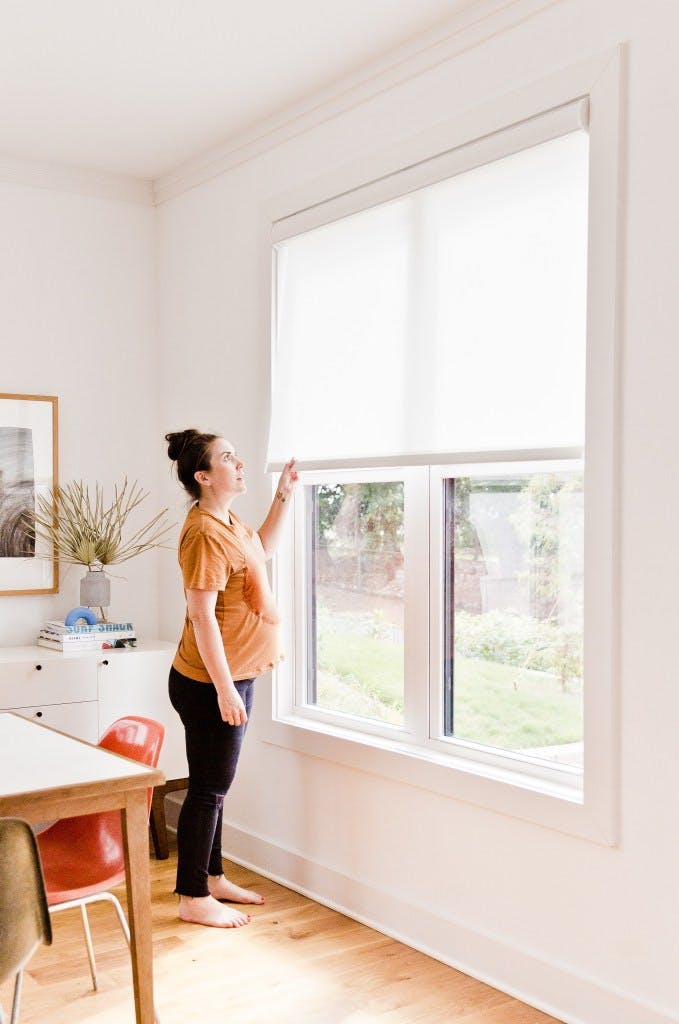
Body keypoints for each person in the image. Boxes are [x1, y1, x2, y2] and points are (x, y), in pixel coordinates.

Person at [165, 428, 297, 928]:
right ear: (203, 476)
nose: (239, 464)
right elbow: (200, 614)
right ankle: (193, 895)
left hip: (232, 676)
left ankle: (212, 877)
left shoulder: (226, 521)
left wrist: (283, 496)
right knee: (208, 788)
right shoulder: (202, 533)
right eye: (227, 458)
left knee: (215, 786)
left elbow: (259, 550)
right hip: (208, 683)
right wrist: (224, 690)